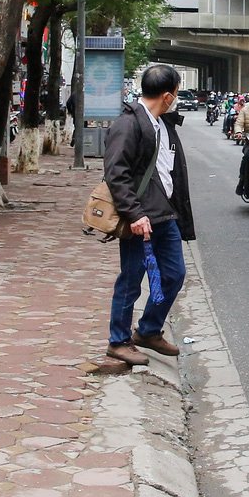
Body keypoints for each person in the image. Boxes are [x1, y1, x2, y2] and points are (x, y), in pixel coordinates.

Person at [101, 64, 192, 366]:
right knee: (131, 278)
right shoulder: (129, 124)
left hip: (165, 217)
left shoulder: (162, 123)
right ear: (168, 95)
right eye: (176, 93)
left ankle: (149, 330)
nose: (176, 98)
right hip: (140, 219)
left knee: (174, 274)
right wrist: (135, 214)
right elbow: (117, 174)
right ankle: (118, 341)